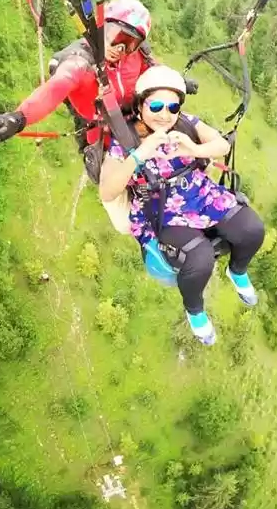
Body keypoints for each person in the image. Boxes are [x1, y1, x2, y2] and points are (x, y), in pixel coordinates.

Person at [98, 65, 265, 346]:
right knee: (199, 259)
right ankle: (195, 310)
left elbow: (222, 146)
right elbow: (107, 190)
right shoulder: (124, 140)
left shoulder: (185, 123)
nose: (165, 114)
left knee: (252, 230)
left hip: (199, 193)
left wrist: (194, 148)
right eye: (156, 105)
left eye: (172, 106)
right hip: (160, 208)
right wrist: (140, 154)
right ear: (140, 106)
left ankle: (236, 271)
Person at [0, 0, 156, 157]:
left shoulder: (138, 56)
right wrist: (18, 118)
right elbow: (60, 84)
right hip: (97, 127)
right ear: (101, 27)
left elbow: (157, 72)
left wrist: (180, 85)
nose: (120, 49)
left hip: (132, 119)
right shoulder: (81, 61)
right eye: (116, 37)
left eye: (130, 44)